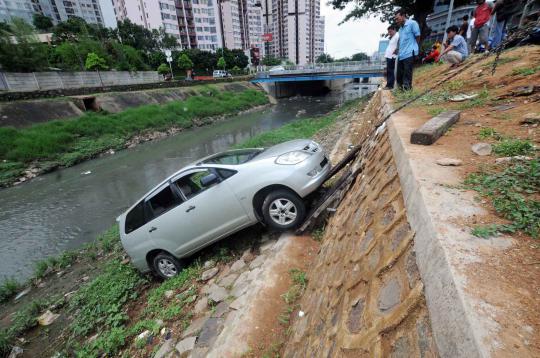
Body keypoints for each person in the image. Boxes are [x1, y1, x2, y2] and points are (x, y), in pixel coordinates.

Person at [394, 9, 421, 90]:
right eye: (395, 19)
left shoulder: (412, 23)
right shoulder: (400, 29)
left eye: (397, 18)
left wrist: (414, 46)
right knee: (399, 74)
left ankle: (407, 90)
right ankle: (401, 89)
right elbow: (401, 41)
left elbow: (418, 36)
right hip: (401, 54)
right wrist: (398, 49)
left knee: (407, 73)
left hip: (409, 53)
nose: (396, 21)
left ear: (403, 16)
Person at [384, 25, 399, 89]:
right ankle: (389, 84)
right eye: (389, 32)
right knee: (389, 71)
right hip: (389, 56)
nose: (389, 33)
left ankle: (390, 85)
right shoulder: (392, 37)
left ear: (394, 30)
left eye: (390, 32)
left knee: (391, 71)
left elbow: (399, 44)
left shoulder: (397, 35)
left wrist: (397, 49)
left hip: (392, 56)